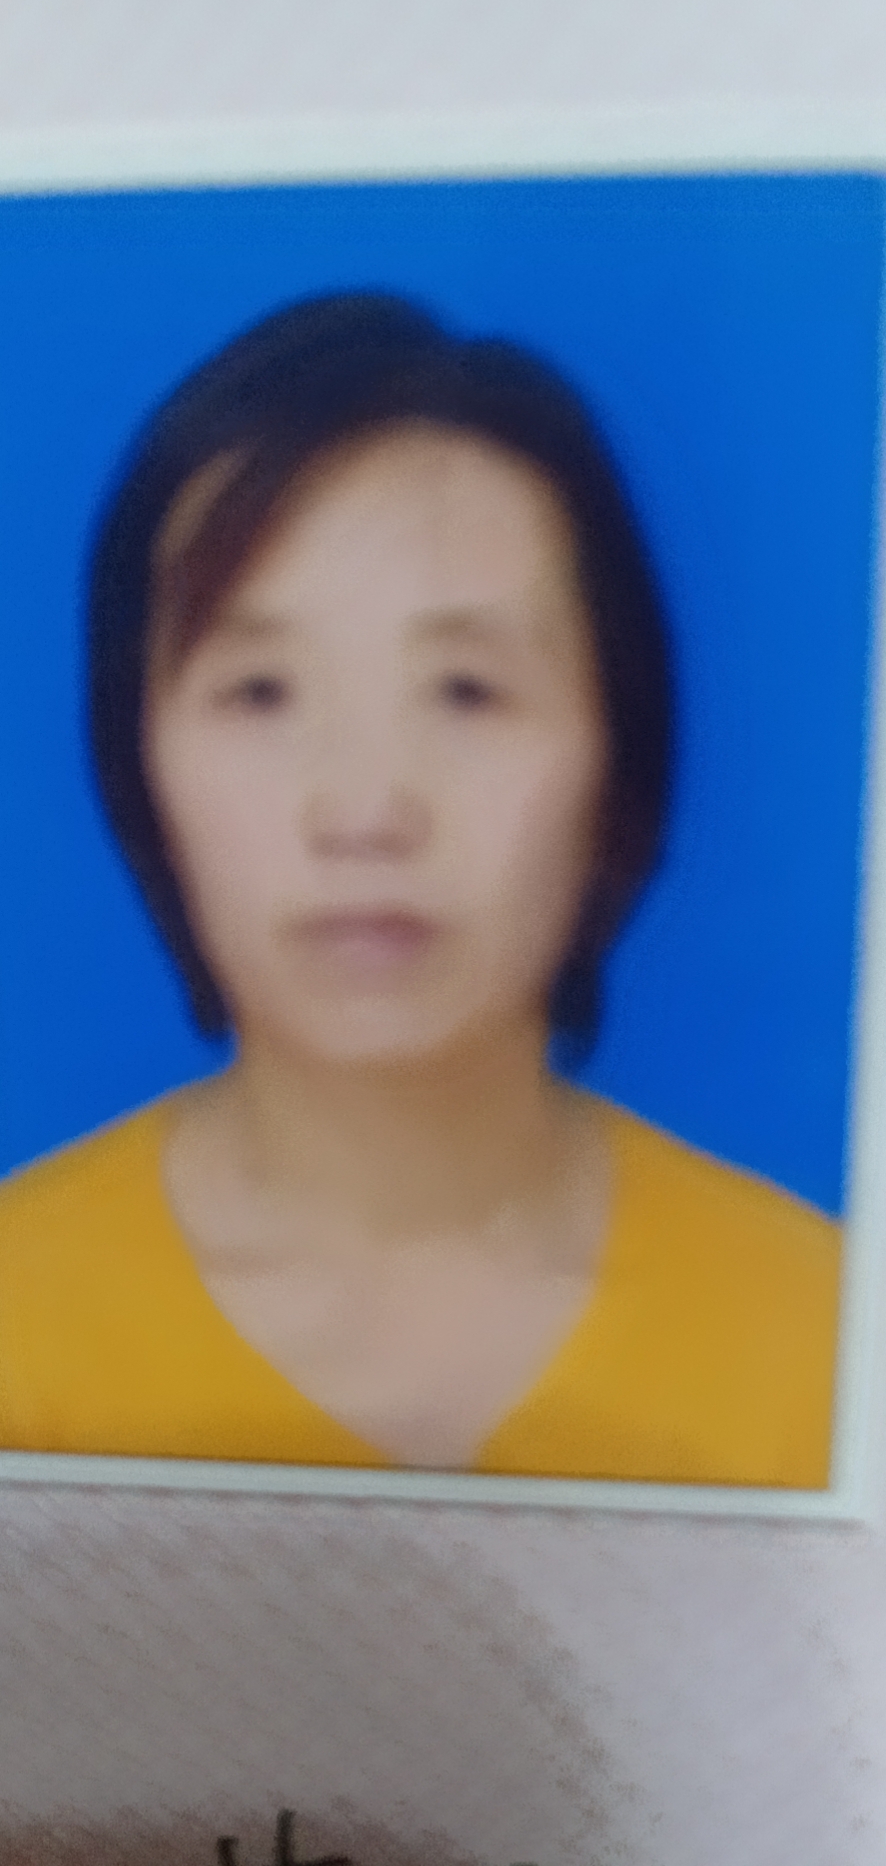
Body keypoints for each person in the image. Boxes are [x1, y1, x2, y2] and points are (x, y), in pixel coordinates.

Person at [0, 292, 841, 1486]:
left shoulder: (820, 1338)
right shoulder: (22, 1322)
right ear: (138, 768)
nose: (365, 810)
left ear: (617, 763)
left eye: (465, 691)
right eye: (259, 692)